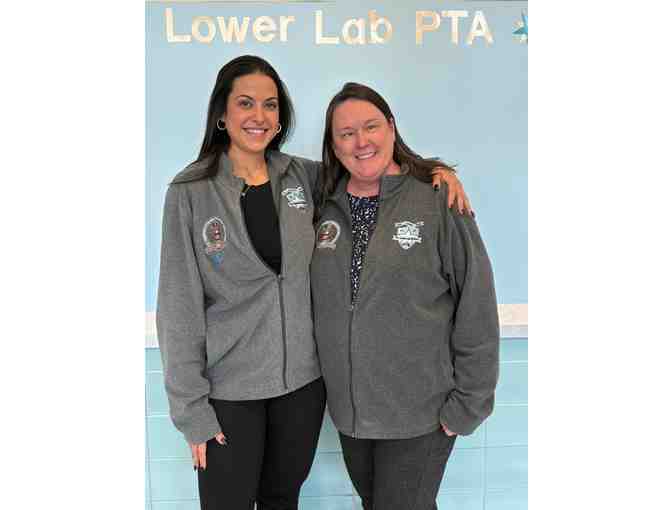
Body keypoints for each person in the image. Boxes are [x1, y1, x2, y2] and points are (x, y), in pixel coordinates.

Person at [156, 56, 471, 510]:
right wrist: (191, 411)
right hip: (229, 395)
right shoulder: (189, 192)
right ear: (222, 113)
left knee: (282, 500)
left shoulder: (304, 177)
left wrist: (432, 172)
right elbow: (178, 308)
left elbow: (370, 168)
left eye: (270, 105)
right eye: (245, 103)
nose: (259, 116)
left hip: (301, 392)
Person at [310, 82, 500, 510]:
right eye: (346, 133)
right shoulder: (324, 205)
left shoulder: (435, 199)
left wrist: (469, 404)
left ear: (392, 128)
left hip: (420, 414)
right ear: (334, 146)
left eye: (371, 126)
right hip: (353, 416)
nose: (361, 141)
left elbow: (476, 301)